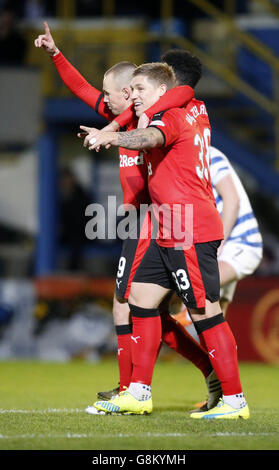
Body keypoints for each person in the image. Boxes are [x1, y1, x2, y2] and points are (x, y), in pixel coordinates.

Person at [34, 26, 221, 412]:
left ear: (130, 93)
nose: (101, 99)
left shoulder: (158, 120)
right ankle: (200, 372)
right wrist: (55, 54)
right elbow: (82, 89)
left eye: (111, 93)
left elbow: (184, 92)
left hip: (154, 222)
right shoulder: (124, 117)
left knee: (127, 305)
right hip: (142, 223)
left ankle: (131, 389)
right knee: (150, 311)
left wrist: (113, 131)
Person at [86, 60, 250, 420]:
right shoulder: (192, 108)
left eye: (141, 90)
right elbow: (177, 98)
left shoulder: (173, 115)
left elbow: (151, 138)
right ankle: (138, 392)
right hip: (167, 225)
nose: (134, 96)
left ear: (164, 91)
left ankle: (234, 400)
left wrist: (113, 135)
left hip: (188, 225)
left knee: (205, 311)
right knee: (142, 300)